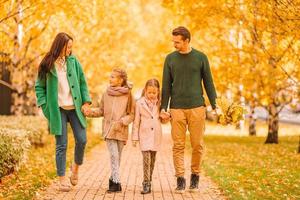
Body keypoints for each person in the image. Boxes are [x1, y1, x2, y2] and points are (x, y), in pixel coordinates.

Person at [160, 26, 217, 193]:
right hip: (176, 108)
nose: (174, 44)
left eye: (177, 42)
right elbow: (166, 86)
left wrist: (215, 105)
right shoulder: (170, 59)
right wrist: (164, 107)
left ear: (186, 40)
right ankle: (180, 179)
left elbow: (209, 83)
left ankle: (195, 177)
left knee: (197, 145)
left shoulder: (200, 57)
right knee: (178, 146)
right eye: (173, 41)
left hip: (197, 108)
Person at [35, 32, 91, 192]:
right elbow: (39, 87)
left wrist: (86, 101)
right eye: (68, 47)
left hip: (75, 108)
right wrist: (45, 106)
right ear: (60, 46)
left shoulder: (73, 61)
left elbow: (82, 82)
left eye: (72, 47)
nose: (70, 50)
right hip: (58, 109)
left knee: (82, 140)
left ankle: (75, 168)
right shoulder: (47, 63)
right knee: (62, 145)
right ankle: (61, 179)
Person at [82, 68, 135, 193]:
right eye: (110, 76)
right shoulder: (106, 94)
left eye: (113, 77)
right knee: (113, 156)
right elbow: (101, 110)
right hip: (108, 129)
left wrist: (123, 121)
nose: (110, 79)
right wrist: (89, 112)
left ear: (121, 80)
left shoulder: (128, 95)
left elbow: (132, 114)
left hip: (121, 130)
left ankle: (112, 179)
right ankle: (116, 184)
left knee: (118, 158)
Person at [132, 79, 169, 194]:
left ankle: (149, 181)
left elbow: (163, 121)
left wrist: (166, 117)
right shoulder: (139, 103)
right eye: (149, 93)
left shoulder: (160, 104)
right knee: (146, 159)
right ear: (145, 91)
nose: (152, 95)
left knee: (152, 161)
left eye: (154, 93)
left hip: (156, 135)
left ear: (158, 91)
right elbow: (136, 121)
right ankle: (146, 183)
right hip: (144, 135)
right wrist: (134, 137)